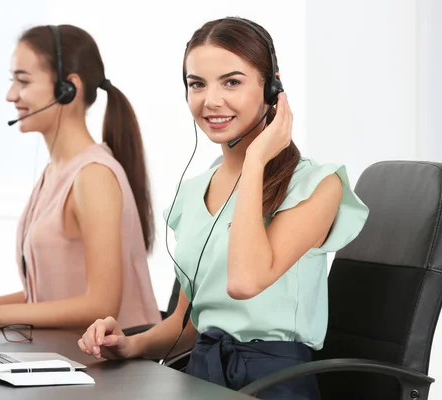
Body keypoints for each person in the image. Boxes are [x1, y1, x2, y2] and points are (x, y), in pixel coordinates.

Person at [77, 17, 369, 400]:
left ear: (273, 88)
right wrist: (129, 345)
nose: (210, 100)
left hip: (274, 385)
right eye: (197, 84)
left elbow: (244, 282)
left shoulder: (316, 185)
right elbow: (188, 324)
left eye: (231, 81)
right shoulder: (195, 190)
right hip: (199, 376)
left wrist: (256, 161)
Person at [0, 24, 161, 330]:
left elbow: (101, 306)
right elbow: (47, 297)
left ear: (68, 88)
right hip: (66, 359)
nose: (11, 95)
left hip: (110, 370)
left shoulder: (94, 177)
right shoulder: (56, 173)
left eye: (22, 81)